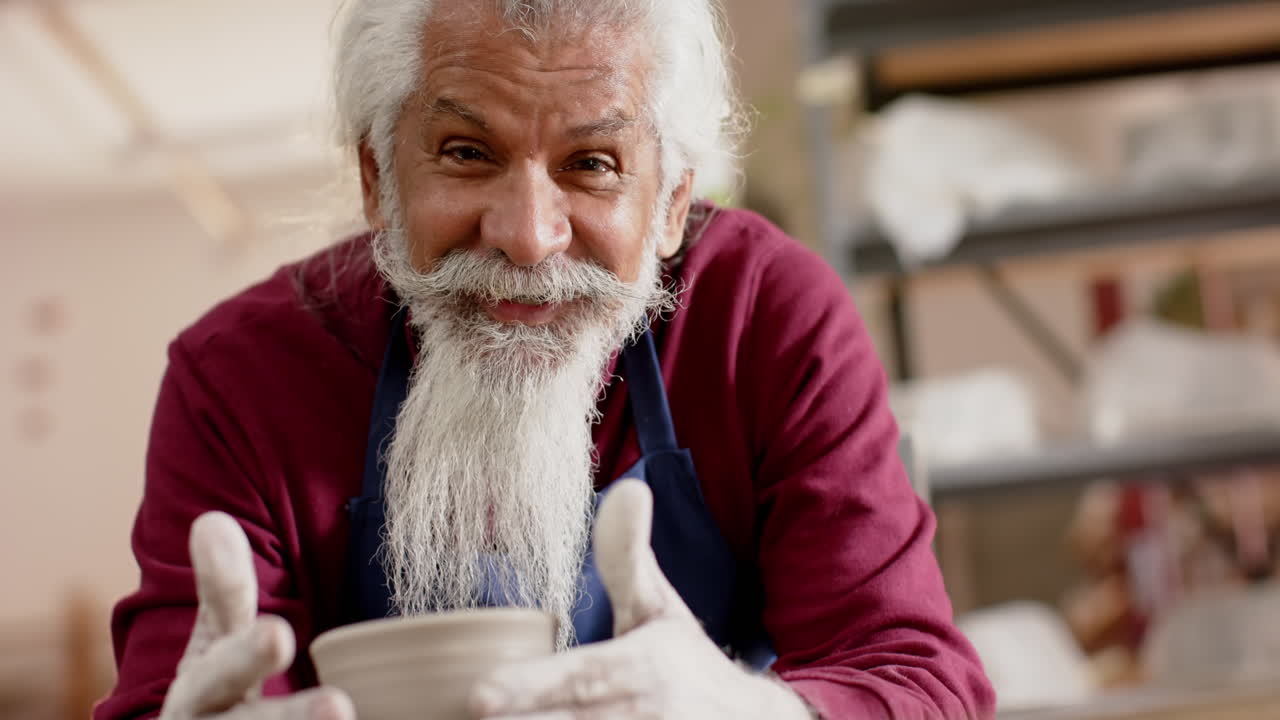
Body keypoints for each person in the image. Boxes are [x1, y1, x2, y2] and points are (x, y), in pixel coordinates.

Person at [95, 1, 996, 718]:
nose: (528, 239)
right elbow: (181, 694)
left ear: (673, 201)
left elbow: (918, 680)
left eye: (593, 163)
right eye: (465, 152)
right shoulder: (240, 381)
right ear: (378, 179)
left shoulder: (766, 321)